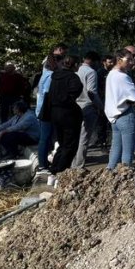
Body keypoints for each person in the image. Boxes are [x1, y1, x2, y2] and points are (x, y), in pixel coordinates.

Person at [45, 55, 83, 185]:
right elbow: (75, 91)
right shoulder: (72, 78)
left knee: (62, 144)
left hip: (55, 113)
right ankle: (61, 173)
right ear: (75, 65)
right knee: (70, 146)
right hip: (68, 114)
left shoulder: (55, 76)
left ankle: (53, 171)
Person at [105, 49, 135, 170]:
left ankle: (109, 172)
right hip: (125, 114)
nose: (132, 62)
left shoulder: (111, 74)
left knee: (116, 148)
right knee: (128, 150)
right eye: (129, 59)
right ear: (119, 60)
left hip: (115, 117)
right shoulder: (122, 76)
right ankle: (125, 174)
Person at [73, 51, 103, 169]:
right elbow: (92, 92)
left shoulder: (76, 70)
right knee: (84, 138)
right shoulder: (91, 72)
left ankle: (73, 163)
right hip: (88, 106)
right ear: (93, 61)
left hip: (75, 106)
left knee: (75, 136)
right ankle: (79, 165)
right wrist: (100, 107)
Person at [34, 53, 60, 174]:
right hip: (47, 111)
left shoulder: (45, 74)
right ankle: (43, 164)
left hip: (43, 109)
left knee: (45, 137)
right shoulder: (51, 76)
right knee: (45, 137)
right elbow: (48, 94)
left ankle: (44, 162)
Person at [94, 54, 116, 148]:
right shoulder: (99, 72)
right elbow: (97, 87)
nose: (111, 63)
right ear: (104, 62)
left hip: (112, 100)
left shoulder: (114, 72)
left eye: (112, 62)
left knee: (111, 122)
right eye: (109, 62)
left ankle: (111, 142)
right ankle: (102, 142)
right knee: (102, 122)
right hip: (103, 100)